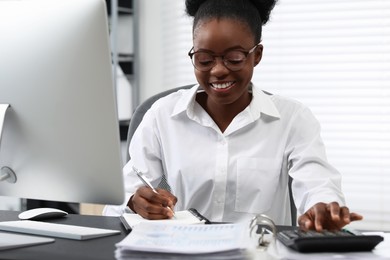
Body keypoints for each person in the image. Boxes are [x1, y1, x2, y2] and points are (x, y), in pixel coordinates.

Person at [104, 0, 363, 231]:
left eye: (234, 58)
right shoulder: (162, 115)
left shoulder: (293, 119)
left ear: (256, 55)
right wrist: (135, 201)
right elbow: (119, 200)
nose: (218, 70)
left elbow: (317, 184)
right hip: (184, 251)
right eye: (204, 59)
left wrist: (323, 208)